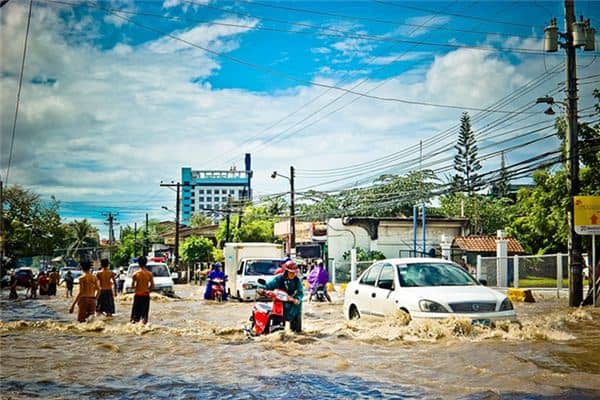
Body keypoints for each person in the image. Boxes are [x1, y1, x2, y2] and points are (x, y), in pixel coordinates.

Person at [257, 260, 303, 332]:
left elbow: (300, 292)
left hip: (293, 303)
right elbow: (268, 285)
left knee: (297, 331)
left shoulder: (297, 281)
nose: (293, 274)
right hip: (280, 302)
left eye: (294, 272)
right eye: (291, 272)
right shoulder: (278, 279)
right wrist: (262, 289)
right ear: (287, 271)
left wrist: (297, 299)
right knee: (277, 328)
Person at [130, 256, 154, 324]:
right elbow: (152, 286)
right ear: (146, 263)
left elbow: (132, 286)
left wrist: (137, 289)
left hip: (138, 295)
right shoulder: (150, 274)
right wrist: (147, 289)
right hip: (146, 295)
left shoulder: (135, 274)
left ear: (138, 263)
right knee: (144, 316)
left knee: (134, 317)